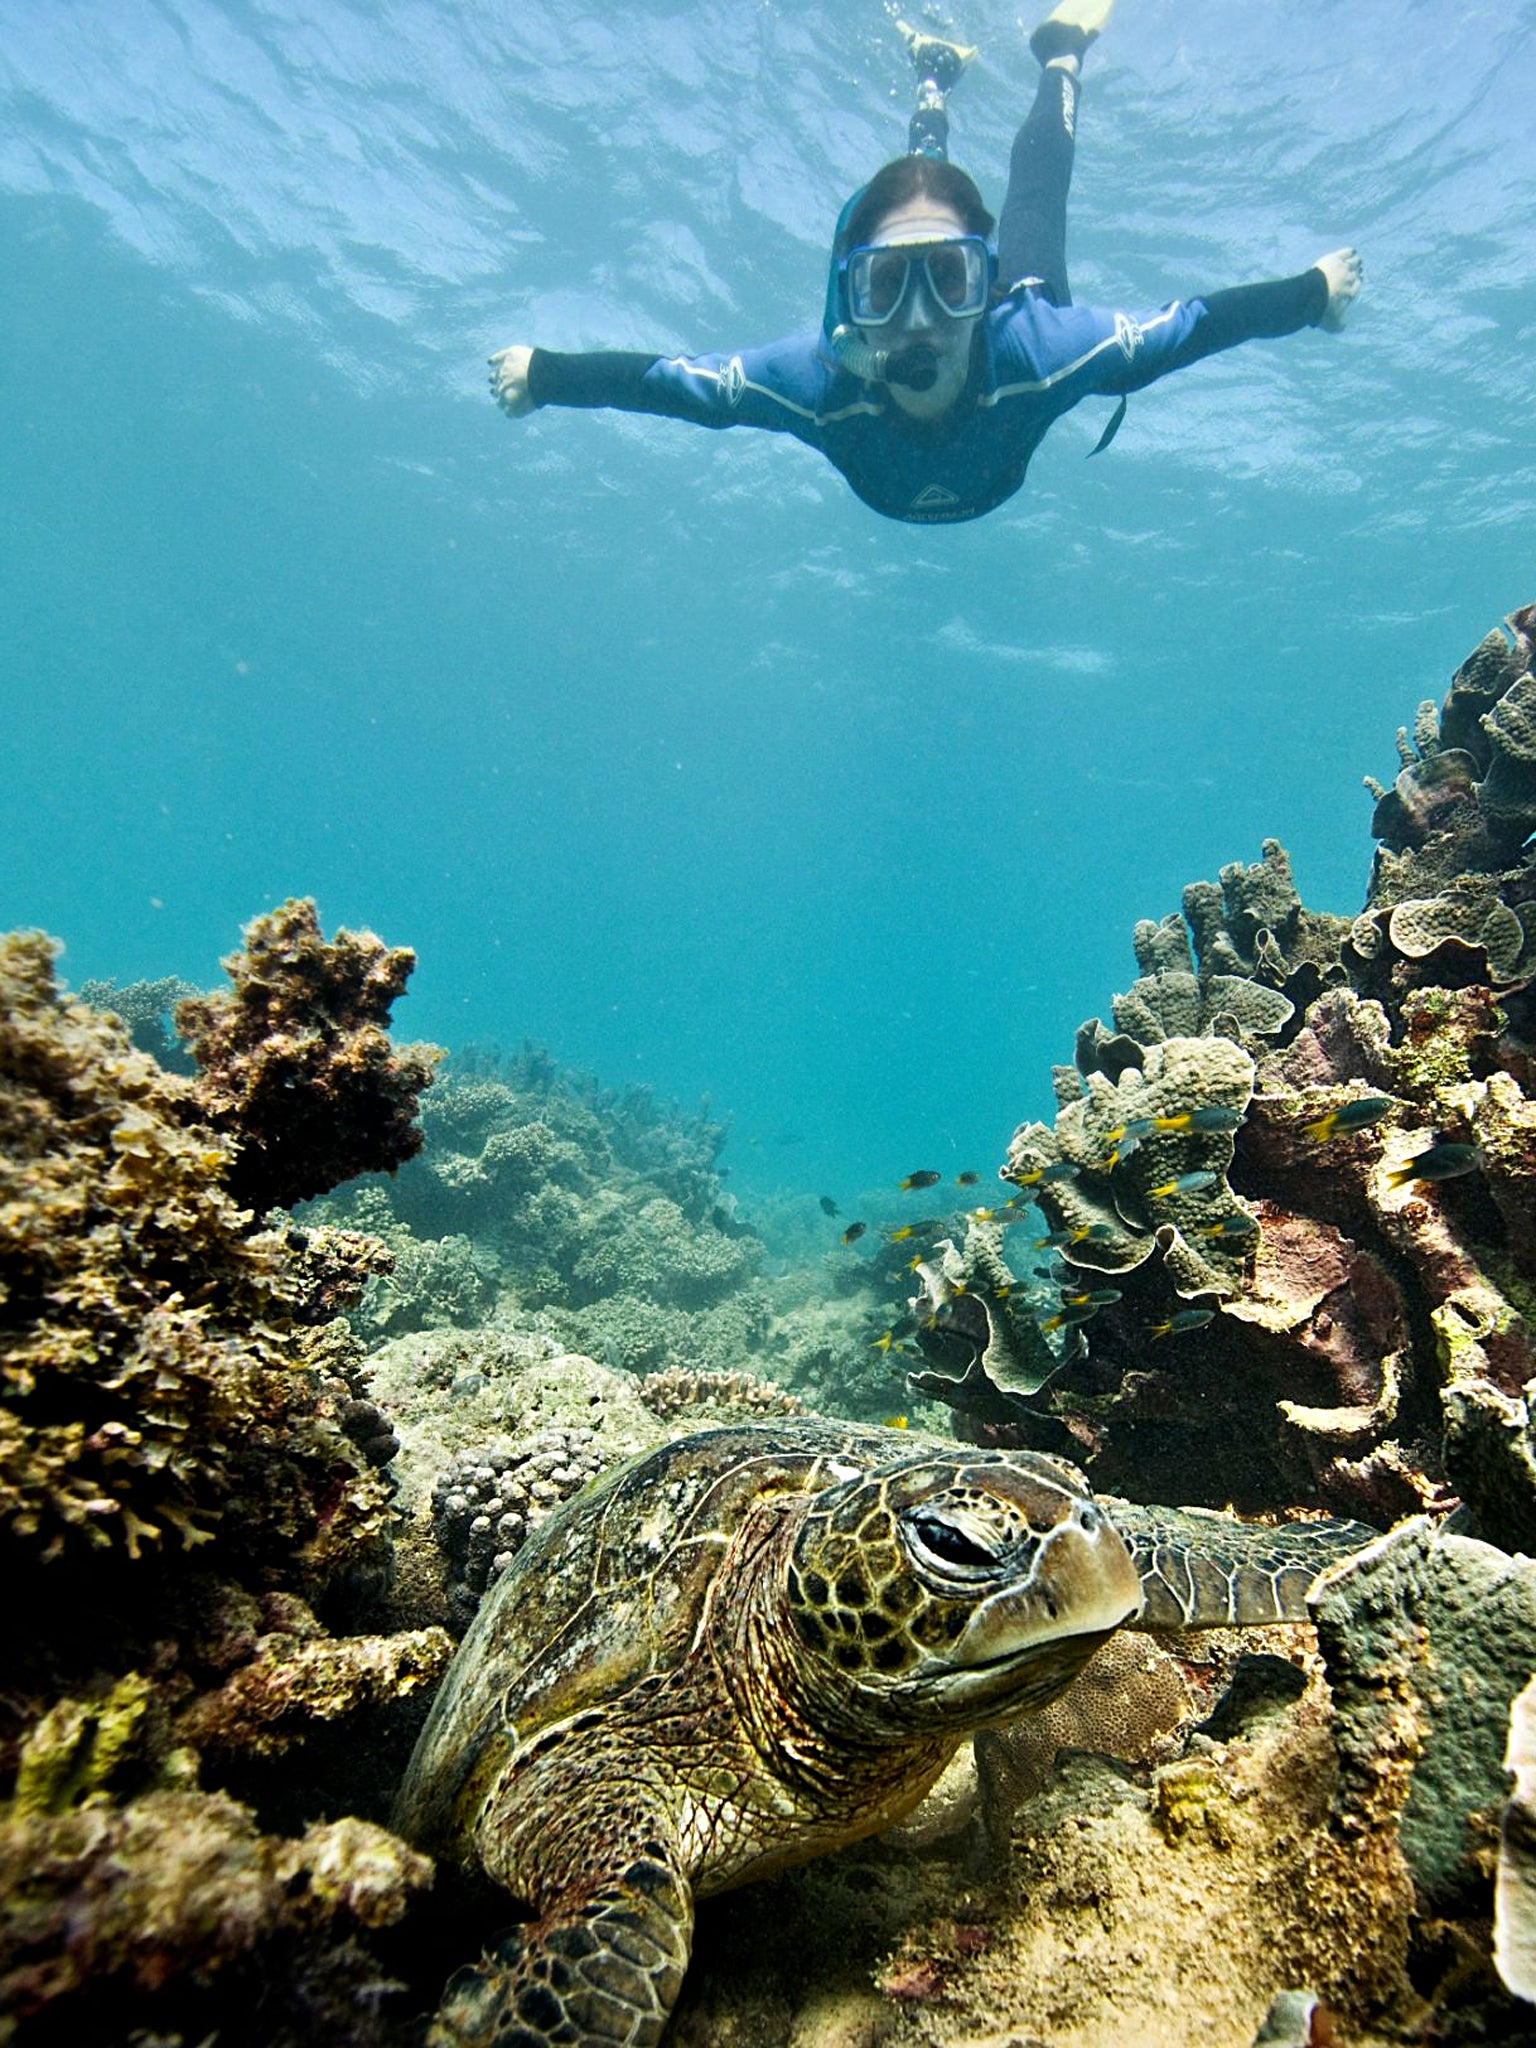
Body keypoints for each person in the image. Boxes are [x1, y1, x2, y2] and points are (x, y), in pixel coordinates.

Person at [487, 1, 1363, 527]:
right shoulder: (813, 379)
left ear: (983, 288)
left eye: (947, 279)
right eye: (882, 283)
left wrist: (1311, 292)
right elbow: (675, 386)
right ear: (848, 297)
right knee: (921, 197)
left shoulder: (1046, 345)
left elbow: (1197, 327)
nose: (915, 317)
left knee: (1033, 208)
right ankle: (933, 82)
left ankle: (1059, 52)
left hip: (1018, 308)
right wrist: (550, 374)